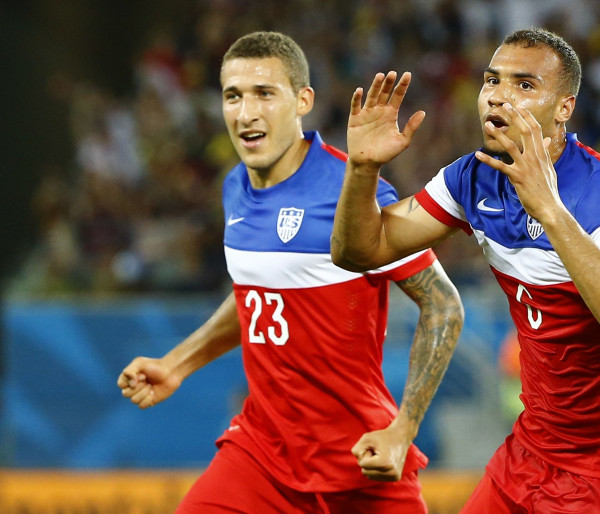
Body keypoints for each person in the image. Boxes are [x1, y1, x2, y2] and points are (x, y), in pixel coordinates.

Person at [331, 28, 600, 513]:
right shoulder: (473, 178)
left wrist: (551, 213)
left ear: (564, 108)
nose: (498, 96)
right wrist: (362, 170)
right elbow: (361, 251)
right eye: (492, 80)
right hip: (532, 451)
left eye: (524, 85)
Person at [117, 31, 464, 514]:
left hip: (358, 461)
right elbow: (257, 296)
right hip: (260, 454)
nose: (246, 112)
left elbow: (442, 302)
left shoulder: (353, 192)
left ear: (303, 101)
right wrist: (177, 362)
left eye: (264, 93)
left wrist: (403, 429)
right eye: (233, 96)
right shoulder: (235, 186)